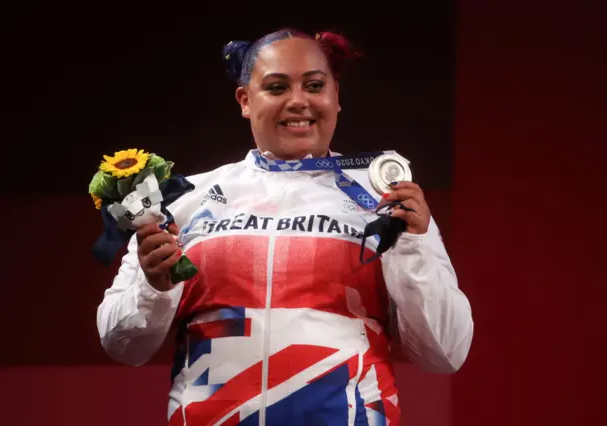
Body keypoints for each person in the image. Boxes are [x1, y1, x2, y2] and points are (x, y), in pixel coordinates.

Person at [96, 28, 474, 426]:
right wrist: (152, 288)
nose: (298, 101)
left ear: (335, 96)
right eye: (276, 88)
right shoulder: (186, 199)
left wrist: (412, 246)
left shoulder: (386, 202)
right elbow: (123, 346)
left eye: (314, 85)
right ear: (245, 100)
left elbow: (446, 352)